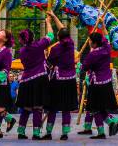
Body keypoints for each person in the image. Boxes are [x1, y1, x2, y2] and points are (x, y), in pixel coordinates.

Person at [15, 15, 54, 140]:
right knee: (37, 107)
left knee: (26, 108)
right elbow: (51, 35)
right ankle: (36, 133)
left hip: (26, 81)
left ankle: (21, 131)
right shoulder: (39, 45)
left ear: (22, 40)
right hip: (39, 79)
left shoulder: (21, 51)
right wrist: (48, 22)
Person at [79, 32, 118, 140]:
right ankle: (114, 122)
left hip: (97, 84)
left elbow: (84, 67)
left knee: (95, 109)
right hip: (106, 83)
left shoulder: (92, 55)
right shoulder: (107, 49)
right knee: (100, 107)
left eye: (90, 41)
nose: (88, 42)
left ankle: (101, 132)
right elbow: (106, 38)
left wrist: (78, 63)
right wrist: (102, 25)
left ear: (94, 43)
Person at [43, 11, 79, 141]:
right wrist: (54, 16)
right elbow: (62, 30)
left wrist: (49, 21)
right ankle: (65, 133)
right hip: (70, 80)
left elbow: (50, 63)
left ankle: (48, 132)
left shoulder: (55, 49)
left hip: (57, 81)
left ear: (58, 37)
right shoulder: (70, 45)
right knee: (66, 109)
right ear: (67, 36)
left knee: (52, 108)